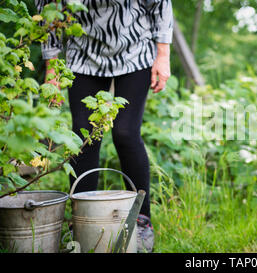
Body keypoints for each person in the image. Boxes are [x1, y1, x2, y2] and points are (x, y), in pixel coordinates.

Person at [35, 0, 173, 253]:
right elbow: (48, 9)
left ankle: (141, 221)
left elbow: (160, 3)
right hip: (83, 52)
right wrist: (52, 68)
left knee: (126, 132)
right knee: (83, 136)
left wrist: (163, 54)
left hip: (135, 47)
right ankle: (80, 223)